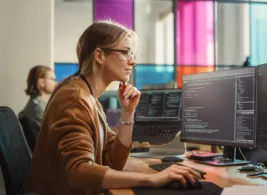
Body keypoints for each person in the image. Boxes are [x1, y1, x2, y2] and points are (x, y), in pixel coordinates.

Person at [26, 20, 201, 195]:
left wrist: (128, 112)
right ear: (99, 55)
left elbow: (113, 160)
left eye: (132, 54)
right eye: (126, 52)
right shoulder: (75, 98)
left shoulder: (89, 97)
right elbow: (79, 171)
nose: (133, 61)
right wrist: (153, 179)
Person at [19, 65, 56, 151]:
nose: (55, 82)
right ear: (41, 82)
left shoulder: (39, 105)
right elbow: (55, 134)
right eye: (52, 79)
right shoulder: (37, 108)